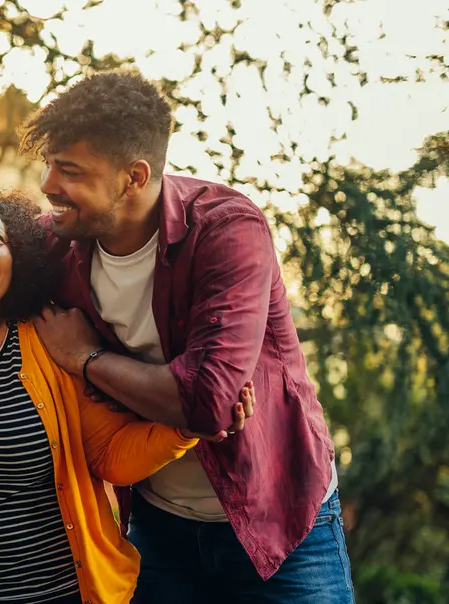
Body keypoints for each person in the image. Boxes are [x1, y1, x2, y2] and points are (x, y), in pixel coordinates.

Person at [22, 69, 351, 602]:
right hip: (158, 528)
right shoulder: (57, 243)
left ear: (133, 176)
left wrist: (86, 358)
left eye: (70, 171)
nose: (48, 185)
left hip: (281, 521)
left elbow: (208, 403)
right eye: (49, 166)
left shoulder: (226, 229)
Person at [0, 178, 255, 604]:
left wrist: (188, 427)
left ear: (15, 260)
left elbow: (112, 455)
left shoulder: (49, 343)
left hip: (70, 595)